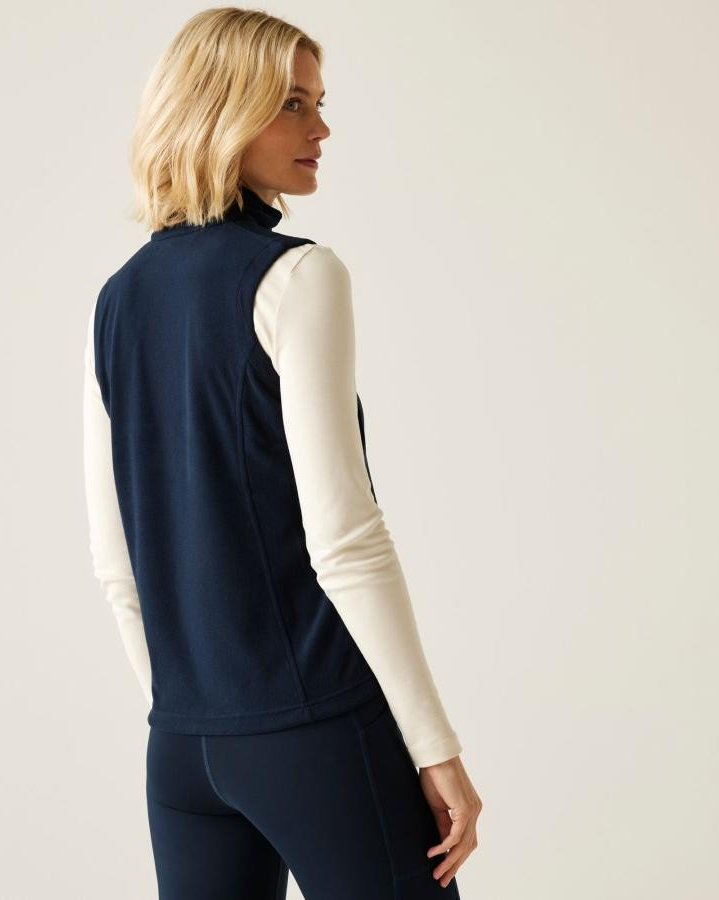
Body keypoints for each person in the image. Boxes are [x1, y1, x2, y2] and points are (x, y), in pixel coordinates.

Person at [83, 8, 482, 898]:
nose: (321, 130)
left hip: (181, 749)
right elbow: (346, 541)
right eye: (293, 104)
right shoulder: (299, 275)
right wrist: (435, 748)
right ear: (221, 111)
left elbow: (117, 567)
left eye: (319, 103)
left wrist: (197, 713)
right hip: (313, 730)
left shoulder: (116, 300)